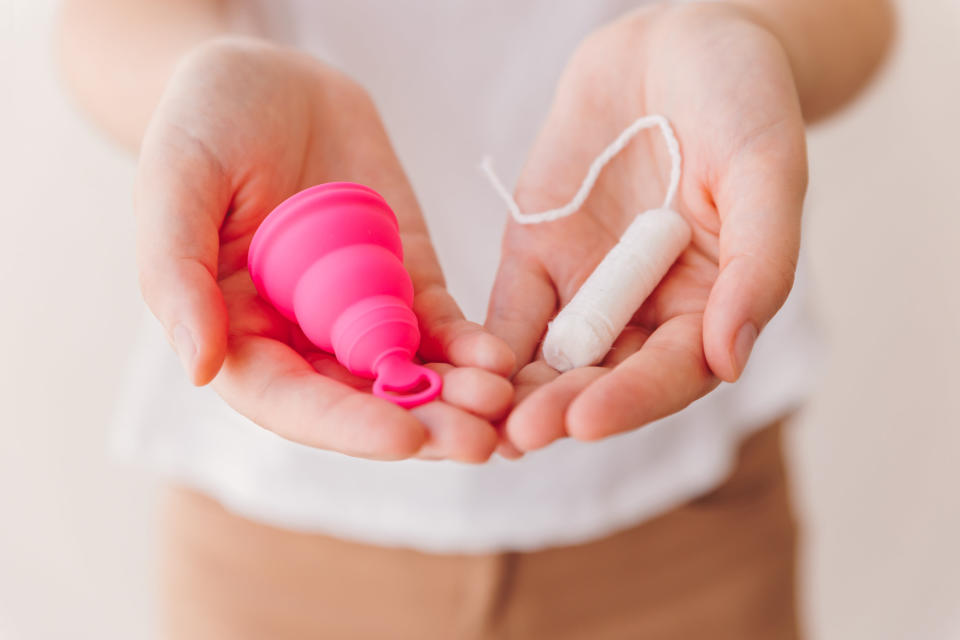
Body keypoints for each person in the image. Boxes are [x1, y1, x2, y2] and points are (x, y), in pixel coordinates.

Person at [59, 1, 893, 637]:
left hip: (684, 526)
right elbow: (105, 20)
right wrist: (193, 76)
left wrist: (746, 33)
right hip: (273, 542)